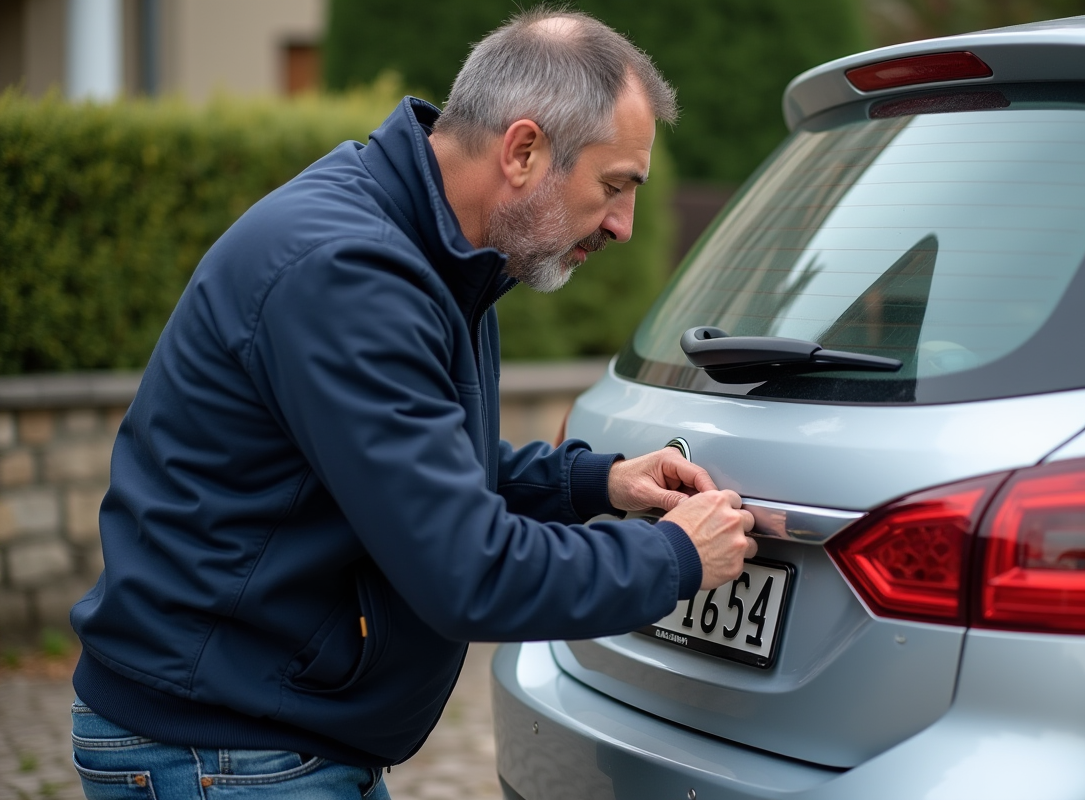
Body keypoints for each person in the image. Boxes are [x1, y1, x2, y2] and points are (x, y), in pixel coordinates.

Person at [69, 8, 756, 798]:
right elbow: (468, 572)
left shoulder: (432, 252)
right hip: (221, 754)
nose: (625, 226)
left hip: (262, 736)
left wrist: (592, 483)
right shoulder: (349, 276)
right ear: (524, 150)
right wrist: (674, 557)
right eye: (614, 186)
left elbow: (411, 469)